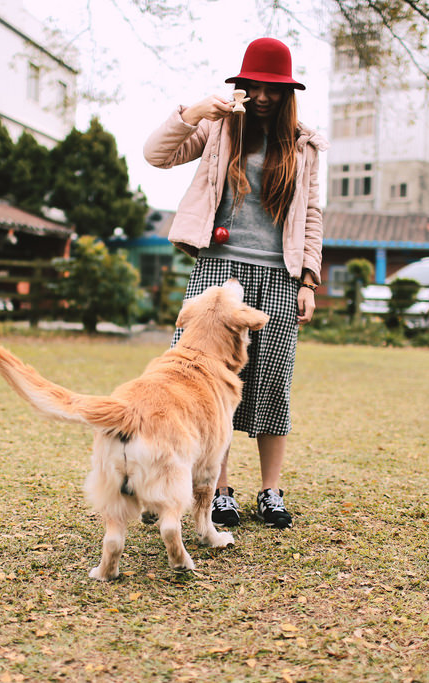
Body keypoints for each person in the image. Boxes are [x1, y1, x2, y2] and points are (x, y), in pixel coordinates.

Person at [143, 37, 328, 529]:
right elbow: (155, 155)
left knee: (272, 384)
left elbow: (310, 214)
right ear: (242, 85)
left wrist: (308, 279)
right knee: (207, 382)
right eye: (256, 86)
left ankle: (270, 491)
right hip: (218, 271)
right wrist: (194, 111)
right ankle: (219, 490)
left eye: (274, 88)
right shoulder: (219, 127)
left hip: (279, 275)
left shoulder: (304, 145)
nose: (264, 96)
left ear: (288, 92)